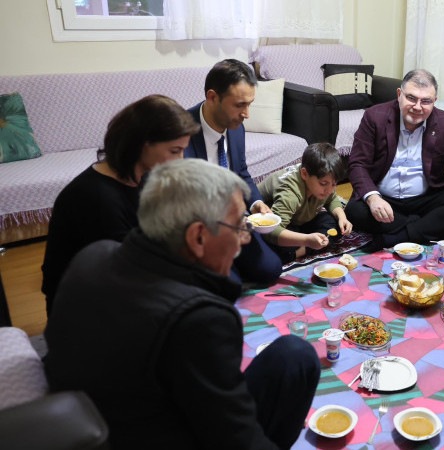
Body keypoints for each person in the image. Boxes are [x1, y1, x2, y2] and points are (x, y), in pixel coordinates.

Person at [44, 159, 321, 450]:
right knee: (298, 355)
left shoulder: (95, 254)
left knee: (293, 356)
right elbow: (237, 438)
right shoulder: (199, 319)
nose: (244, 239)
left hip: (93, 418)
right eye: (239, 226)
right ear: (198, 236)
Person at [41, 94, 199, 316]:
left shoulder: (143, 177)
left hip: (124, 289)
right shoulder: (93, 198)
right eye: (175, 151)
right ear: (143, 145)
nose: (180, 159)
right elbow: (129, 275)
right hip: (84, 311)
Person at [345, 69, 444, 248]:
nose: (417, 107)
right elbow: (358, 164)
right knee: (355, 211)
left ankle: (397, 236)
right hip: (385, 198)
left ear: (434, 101)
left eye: (426, 101)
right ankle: (429, 228)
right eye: (411, 98)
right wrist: (373, 198)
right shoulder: (375, 116)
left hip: (426, 198)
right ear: (399, 94)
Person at [184, 58, 282, 284]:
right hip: (200, 226)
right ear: (212, 97)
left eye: (250, 104)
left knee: (271, 270)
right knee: (228, 284)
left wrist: (256, 203)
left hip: (235, 222)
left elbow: (241, 173)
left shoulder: (236, 128)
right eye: (239, 105)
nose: (247, 114)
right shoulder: (182, 133)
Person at [257, 142, 352, 263]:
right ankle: (295, 253)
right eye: (323, 184)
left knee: (335, 225)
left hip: (297, 219)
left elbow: (332, 199)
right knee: (274, 248)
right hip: (272, 225)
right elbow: (271, 231)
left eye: (334, 184)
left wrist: (342, 217)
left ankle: (301, 250)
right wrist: (306, 240)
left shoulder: (321, 182)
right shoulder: (290, 193)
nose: (329, 190)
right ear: (304, 174)